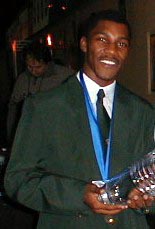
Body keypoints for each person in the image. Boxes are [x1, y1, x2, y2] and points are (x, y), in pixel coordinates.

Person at [4, 9, 155, 229]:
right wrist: (78, 195)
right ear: (84, 44)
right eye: (102, 40)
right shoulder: (44, 107)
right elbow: (17, 180)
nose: (112, 51)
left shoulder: (142, 111)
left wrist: (147, 201)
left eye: (121, 44)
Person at [7, 40, 74, 148]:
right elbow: (13, 109)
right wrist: (11, 137)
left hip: (58, 137)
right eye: (29, 67)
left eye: (38, 67)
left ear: (47, 63)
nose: (33, 71)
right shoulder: (22, 80)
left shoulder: (65, 77)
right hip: (29, 138)